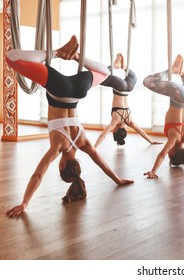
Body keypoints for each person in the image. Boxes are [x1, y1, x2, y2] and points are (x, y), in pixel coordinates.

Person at [5, 35, 134, 218]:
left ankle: (76, 56)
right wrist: (25, 202)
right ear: (62, 165)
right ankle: (59, 52)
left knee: (105, 72)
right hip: (59, 90)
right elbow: (38, 175)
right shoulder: (58, 146)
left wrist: (118, 180)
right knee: (11, 57)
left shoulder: (83, 143)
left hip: (78, 91)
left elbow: (101, 163)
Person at [94, 53, 162, 148]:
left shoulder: (130, 121)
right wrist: (93, 148)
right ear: (116, 131)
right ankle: (114, 66)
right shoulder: (115, 121)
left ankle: (124, 67)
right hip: (119, 86)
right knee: (97, 77)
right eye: (113, 132)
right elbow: (103, 135)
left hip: (129, 87)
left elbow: (141, 132)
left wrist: (151, 141)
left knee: (134, 77)